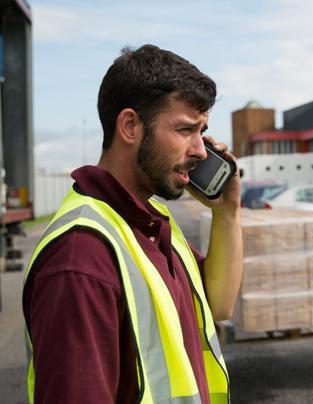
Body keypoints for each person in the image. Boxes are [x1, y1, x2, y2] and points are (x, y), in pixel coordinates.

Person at [23, 44, 243, 404]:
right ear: (129, 126)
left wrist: (228, 211)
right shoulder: (80, 261)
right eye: (185, 129)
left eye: (201, 131)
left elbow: (217, 305)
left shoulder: (151, 220)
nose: (201, 151)